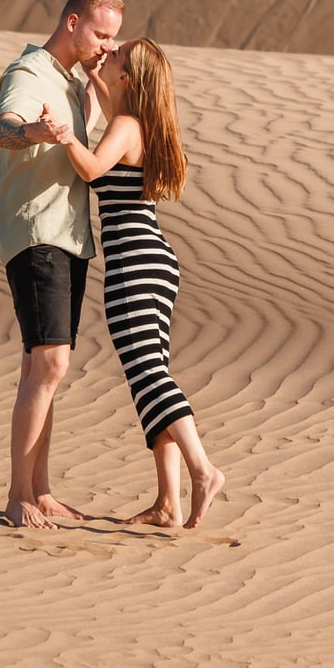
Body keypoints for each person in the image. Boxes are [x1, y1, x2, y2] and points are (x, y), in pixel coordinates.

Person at [61, 37, 225, 529]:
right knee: (150, 376)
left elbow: (91, 167)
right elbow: (107, 94)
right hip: (156, 261)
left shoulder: (127, 126)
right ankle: (167, 503)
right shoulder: (136, 120)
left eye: (116, 55)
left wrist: (63, 136)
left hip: (133, 264)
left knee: (149, 376)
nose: (107, 53)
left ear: (129, 78)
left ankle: (203, 470)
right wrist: (95, 69)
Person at [0, 0, 123, 529]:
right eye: (101, 35)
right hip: (36, 232)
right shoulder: (29, 74)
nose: (107, 48)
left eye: (115, 39)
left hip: (70, 237)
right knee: (51, 364)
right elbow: (1, 129)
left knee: (42, 367)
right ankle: (18, 494)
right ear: (72, 22)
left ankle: (41, 489)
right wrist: (35, 130)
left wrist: (98, 76)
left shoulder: (75, 82)